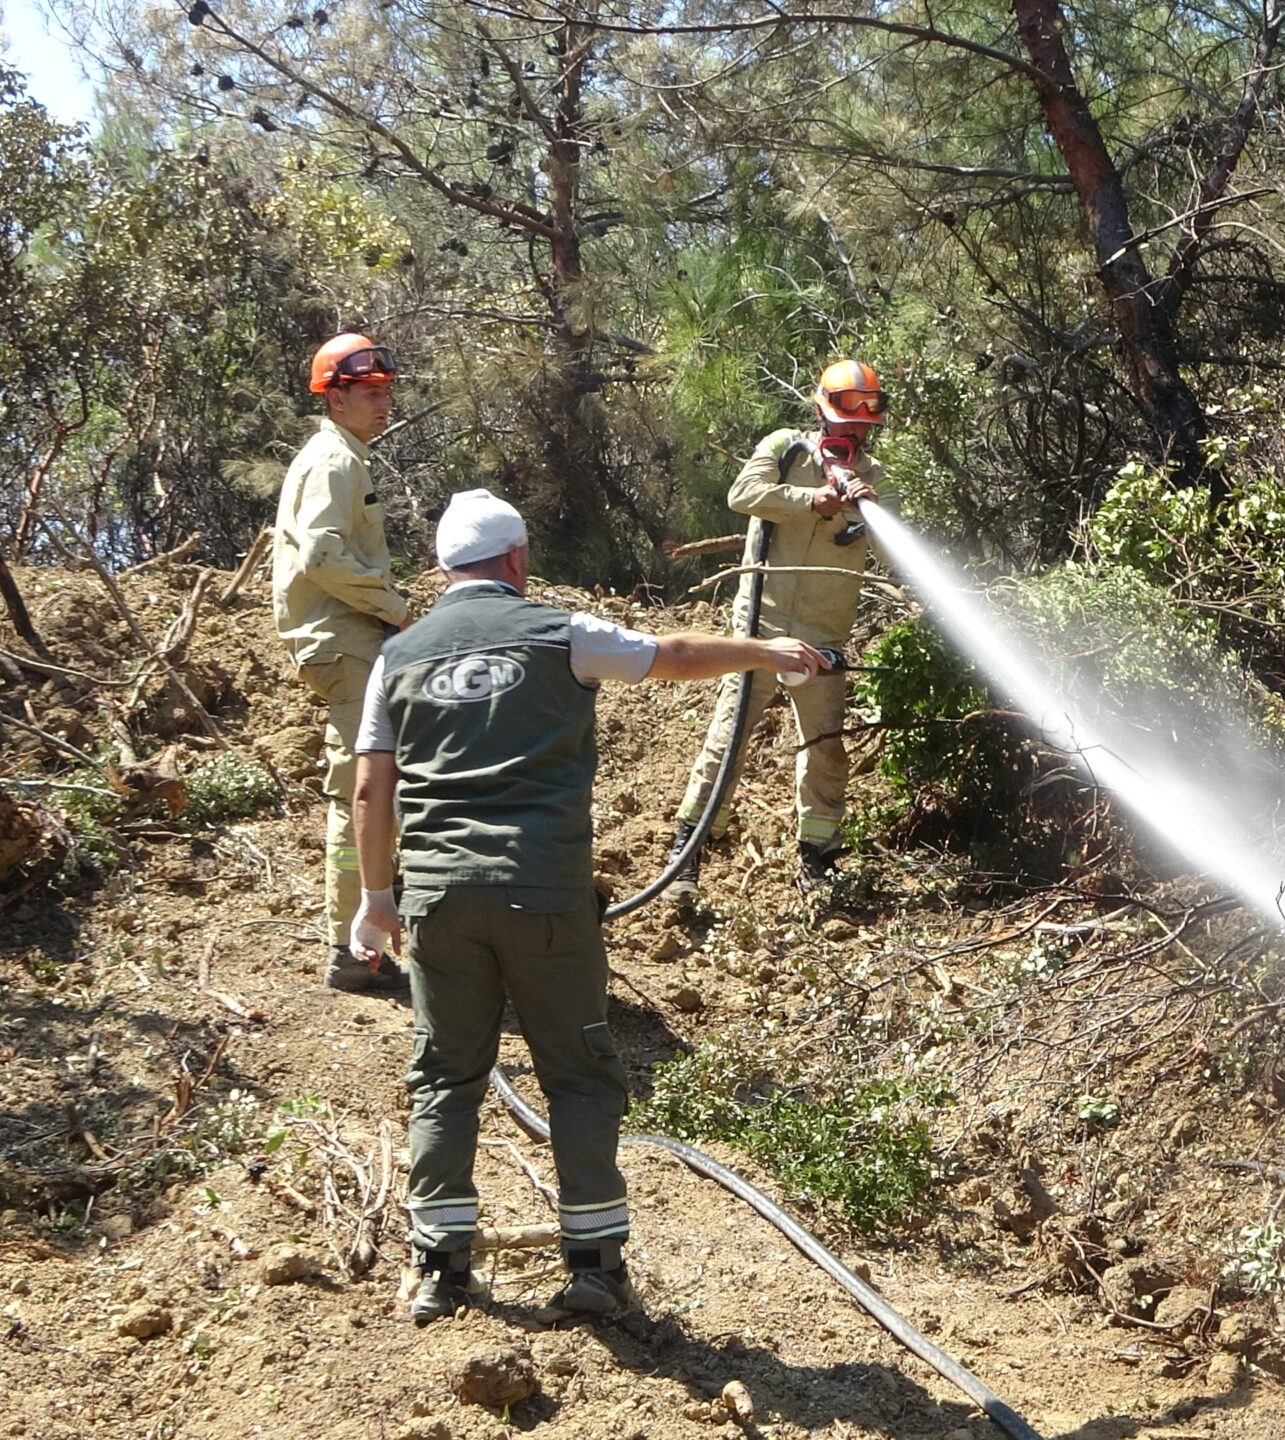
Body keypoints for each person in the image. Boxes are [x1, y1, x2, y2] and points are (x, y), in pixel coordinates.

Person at [348, 489, 828, 1325]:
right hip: (543, 892)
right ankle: (596, 1271)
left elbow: (367, 786)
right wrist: (765, 648)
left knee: (444, 1075)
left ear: (441, 569)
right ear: (517, 561)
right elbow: (671, 654)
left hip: (437, 900)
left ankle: (438, 1271)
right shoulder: (558, 631)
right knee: (576, 1074)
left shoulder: (398, 656)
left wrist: (375, 900)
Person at [661, 359, 886, 908]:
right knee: (728, 737)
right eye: (845, 421)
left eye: (862, 426)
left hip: (823, 631)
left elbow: (888, 542)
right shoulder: (785, 448)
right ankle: (687, 851)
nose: (853, 433)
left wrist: (869, 508)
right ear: (822, 412)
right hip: (760, 626)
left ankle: (818, 858)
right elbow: (744, 493)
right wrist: (810, 501)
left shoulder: (874, 476)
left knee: (825, 745)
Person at [272, 332, 412, 993]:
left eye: (387, 392)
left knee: (373, 785)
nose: (384, 404)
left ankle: (368, 931)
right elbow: (321, 558)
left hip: (348, 640)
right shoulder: (334, 461)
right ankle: (353, 952)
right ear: (335, 399)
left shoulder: (342, 456)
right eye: (370, 394)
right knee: (364, 789)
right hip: (344, 640)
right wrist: (396, 607)